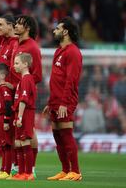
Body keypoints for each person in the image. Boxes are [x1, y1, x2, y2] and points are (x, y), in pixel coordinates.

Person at [44, 17, 83, 181]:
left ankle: (76, 171)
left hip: (65, 101)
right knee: (57, 135)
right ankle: (65, 170)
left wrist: (64, 103)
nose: (54, 31)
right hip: (55, 100)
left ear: (65, 31)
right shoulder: (59, 51)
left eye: (57, 28)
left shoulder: (73, 52)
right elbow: (57, 80)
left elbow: (71, 79)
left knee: (66, 134)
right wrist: (50, 102)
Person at [14, 15, 42, 175]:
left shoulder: (32, 47)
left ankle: (31, 169)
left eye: (19, 24)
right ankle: (21, 168)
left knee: (28, 131)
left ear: (28, 28)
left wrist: (24, 85)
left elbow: (37, 74)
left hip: (25, 93)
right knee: (21, 133)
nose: (16, 26)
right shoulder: (18, 44)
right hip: (17, 91)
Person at [12, 53, 36, 181]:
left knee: (25, 142)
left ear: (25, 64)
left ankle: (29, 173)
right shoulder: (23, 79)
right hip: (20, 113)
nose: (14, 66)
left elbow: (23, 100)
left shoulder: (27, 79)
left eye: (16, 63)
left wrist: (20, 117)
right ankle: (21, 173)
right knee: (18, 143)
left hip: (25, 113)